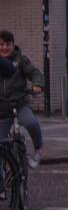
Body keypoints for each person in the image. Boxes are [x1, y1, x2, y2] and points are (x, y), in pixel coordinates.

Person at [0, 30, 45, 167]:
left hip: (19, 104)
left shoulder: (21, 60)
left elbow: (34, 72)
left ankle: (38, 148)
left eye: (8, 44)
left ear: (13, 45)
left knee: (31, 123)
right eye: (1, 44)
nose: (4, 48)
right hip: (2, 108)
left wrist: (37, 84)